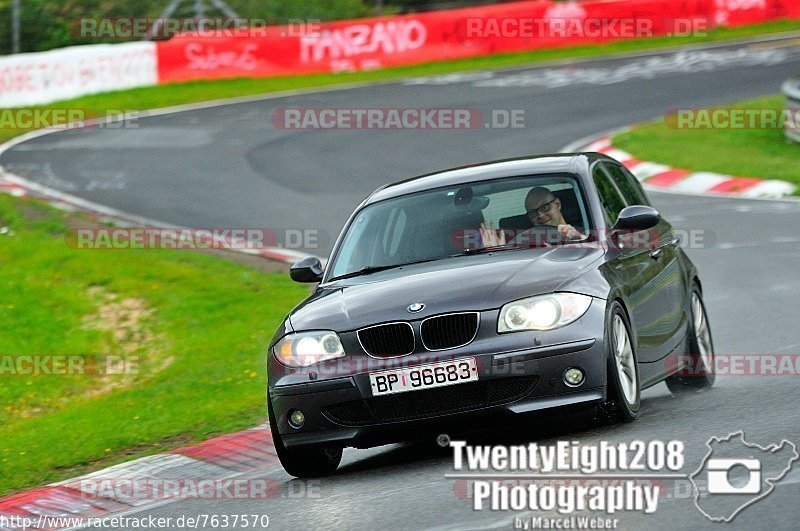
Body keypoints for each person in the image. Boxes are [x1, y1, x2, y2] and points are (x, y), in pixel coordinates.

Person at [479, 187, 584, 247]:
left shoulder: (585, 232)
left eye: (544, 207)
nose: (540, 215)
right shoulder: (523, 244)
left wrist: (579, 238)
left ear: (557, 204)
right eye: (533, 213)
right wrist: (498, 251)